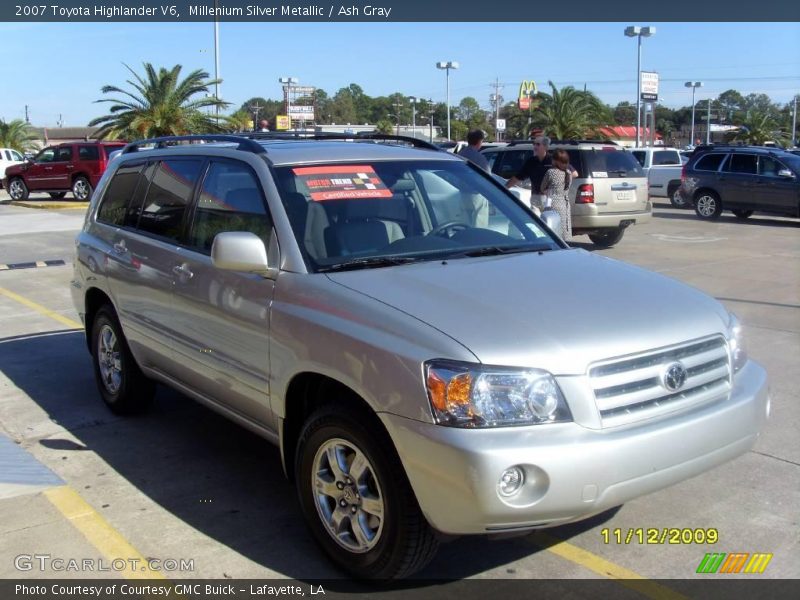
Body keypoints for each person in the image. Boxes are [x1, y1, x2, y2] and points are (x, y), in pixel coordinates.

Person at [540, 149, 572, 240]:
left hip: (552, 204)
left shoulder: (551, 172)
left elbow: (542, 188)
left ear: (556, 161)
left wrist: (548, 191)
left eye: (553, 159)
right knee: (564, 233)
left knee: (553, 232)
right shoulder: (569, 173)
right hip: (565, 205)